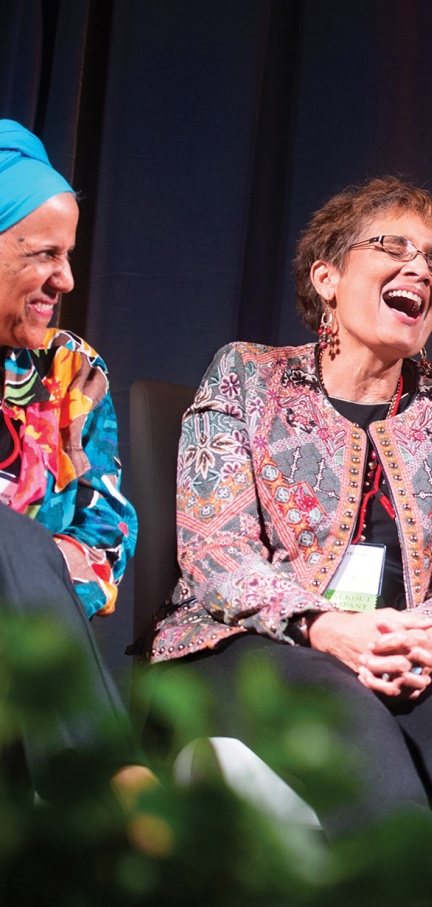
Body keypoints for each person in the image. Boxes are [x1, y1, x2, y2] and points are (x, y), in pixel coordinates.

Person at [146, 176, 432, 836]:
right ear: (327, 276)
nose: (419, 268)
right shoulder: (246, 375)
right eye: (393, 246)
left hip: (415, 655)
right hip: (257, 647)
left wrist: (428, 635)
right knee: (364, 754)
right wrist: (326, 626)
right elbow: (215, 550)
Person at [0, 120, 138, 789]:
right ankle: (108, 790)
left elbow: (106, 538)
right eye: (45, 254)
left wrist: (28, 576)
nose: (66, 279)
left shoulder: (67, 370)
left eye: (70, 255)